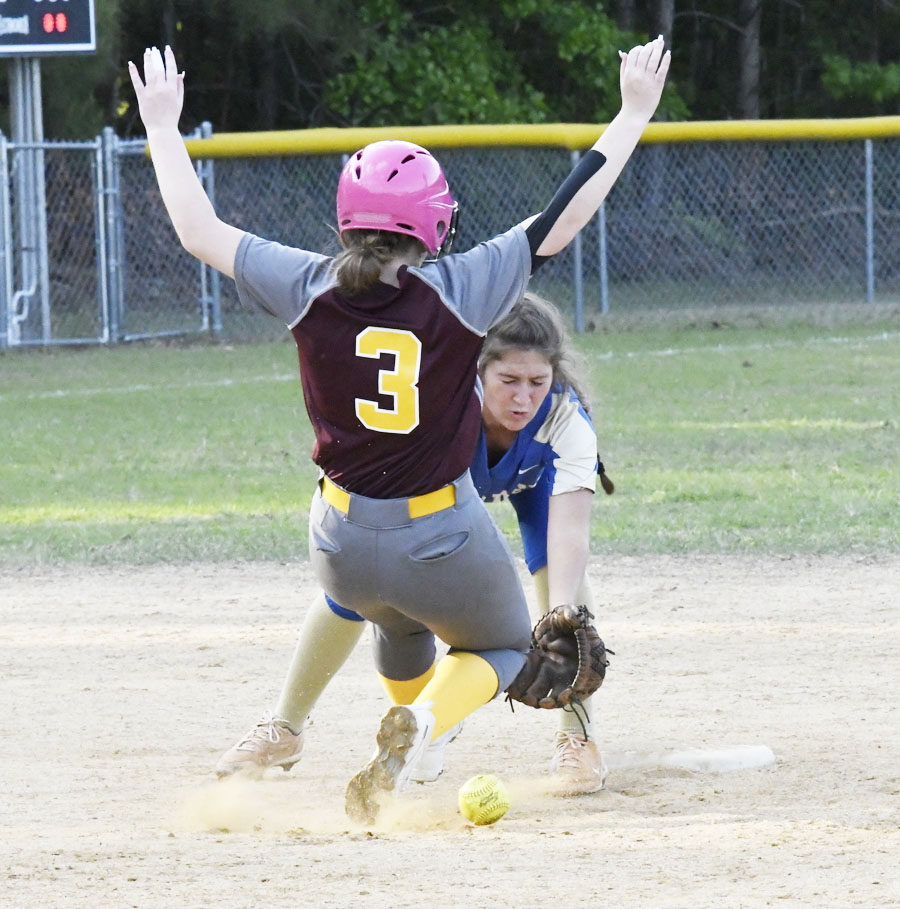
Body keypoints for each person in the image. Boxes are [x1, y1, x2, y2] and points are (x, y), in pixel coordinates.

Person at [129, 37, 669, 823]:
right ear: (435, 224)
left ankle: (404, 722)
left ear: (347, 221)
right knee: (511, 647)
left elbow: (196, 228)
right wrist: (631, 112)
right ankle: (425, 724)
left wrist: (162, 125)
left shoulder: (306, 284)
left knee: (396, 627)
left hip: (339, 543)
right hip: (438, 534)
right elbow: (564, 212)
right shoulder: (461, 286)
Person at [217, 293, 615, 794]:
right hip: (442, 487)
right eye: (508, 381)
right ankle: (286, 727)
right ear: (477, 370)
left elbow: (571, 531)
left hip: (535, 485)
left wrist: (560, 614)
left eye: (537, 382)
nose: (523, 398)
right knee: (357, 588)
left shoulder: (564, 418)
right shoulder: (443, 402)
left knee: (566, 593)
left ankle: (578, 738)